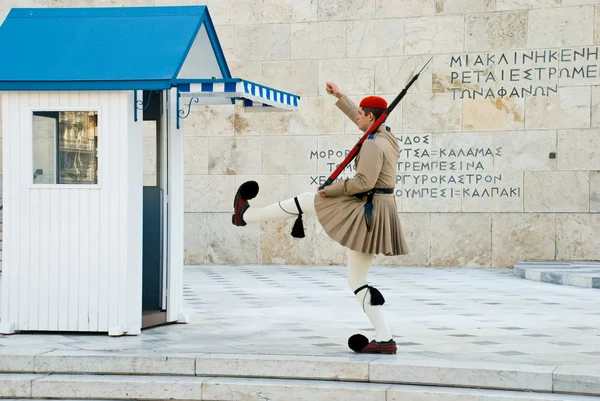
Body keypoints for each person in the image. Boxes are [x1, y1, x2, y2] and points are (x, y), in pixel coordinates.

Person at [232, 82, 409, 354]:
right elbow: (366, 124)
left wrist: (330, 190)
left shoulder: (373, 145)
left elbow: (363, 181)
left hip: (367, 208)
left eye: (361, 113)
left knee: (310, 200)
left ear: (371, 117)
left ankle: (247, 215)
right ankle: (385, 339)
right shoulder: (387, 137)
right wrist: (341, 97)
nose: (357, 117)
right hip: (378, 207)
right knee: (357, 280)